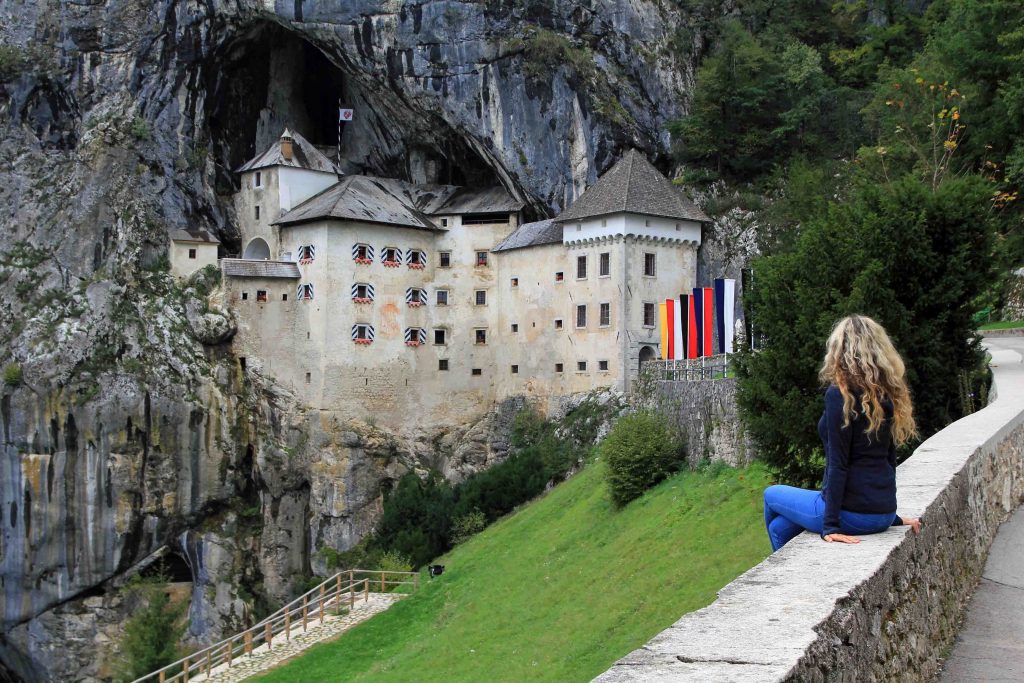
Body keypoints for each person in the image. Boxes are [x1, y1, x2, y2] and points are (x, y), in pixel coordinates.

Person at [763, 314, 923, 551]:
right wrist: (892, 514)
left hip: (853, 514)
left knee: (770, 494)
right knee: (780, 527)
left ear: (839, 351)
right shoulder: (886, 394)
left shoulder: (840, 395)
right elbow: (888, 459)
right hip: (883, 513)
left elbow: (839, 464)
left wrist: (830, 526)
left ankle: (779, 584)